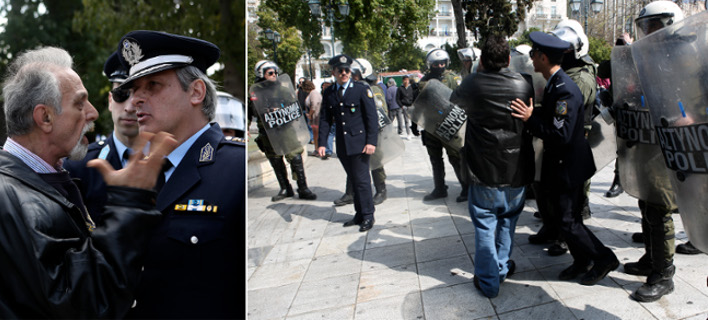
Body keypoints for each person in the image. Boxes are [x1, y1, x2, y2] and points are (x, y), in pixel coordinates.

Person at [0, 46, 177, 318]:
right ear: (44, 117)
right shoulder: (9, 198)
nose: (93, 113)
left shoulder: (44, 180)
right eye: (80, 103)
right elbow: (85, 305)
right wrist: (129, 203)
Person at [113, 30, 245, 318]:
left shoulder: (237, 169)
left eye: (153, 85)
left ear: (196, 92)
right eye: (134, 88)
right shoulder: (139, 173)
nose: (136, 99)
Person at [510, 31, 618, 286]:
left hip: (567, 166)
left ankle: (604, 258)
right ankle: (582, 261)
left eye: (534, 54)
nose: (532, 59)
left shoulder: (564, 89)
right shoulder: (554, 83)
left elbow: (560, 134)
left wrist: (529, 119)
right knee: (566, 219)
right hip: (561, 164)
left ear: (544, 57)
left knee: (568, 221)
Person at [450, 35, 535, 298]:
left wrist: (477, 71)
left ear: (482, 61)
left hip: (484, 170)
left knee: (486, 225)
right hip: (516, 169)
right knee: (507, 223)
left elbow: (454, 103)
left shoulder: (473, 83)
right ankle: (499, 268)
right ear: (508, 59)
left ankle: (489, 283)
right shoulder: (523, 84)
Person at [622, 1, 689, 302]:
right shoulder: (653, 57)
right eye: (645, 26)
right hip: (650, 140)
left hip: (671, 141)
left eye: (653, 26)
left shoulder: (686, 56)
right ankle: (651, 259)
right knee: (647, 203)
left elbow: (694, 98)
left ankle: (664, 274)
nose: (647, 32)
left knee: (660, 207)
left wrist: (690, 115)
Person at [63, 51, 137, 220]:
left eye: (139, 97)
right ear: (110, 101)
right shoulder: (80, 165)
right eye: (121, 95)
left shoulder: (169, 162)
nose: (130, 107)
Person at [318, 54, 378, 232]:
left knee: (362, 181)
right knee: (353, 179)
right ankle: (359, 213)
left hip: (360, 143)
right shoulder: (329, 92)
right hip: (343, 145)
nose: (344, 73)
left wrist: (371, 142)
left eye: (347, 70)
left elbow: (371, 117)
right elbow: (325, 119)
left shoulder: (361, 89)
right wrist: (322, 143)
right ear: (333, 72)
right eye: (340, 71)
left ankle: (368, 215)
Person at [250, 60, 317, 202]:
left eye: (275, 72)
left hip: (285, 129)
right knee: (274, 159)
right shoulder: (255, 91)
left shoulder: (283, 89)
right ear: (261, 74)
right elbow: (252, 110)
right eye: (270, 73)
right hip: (267, 132)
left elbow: (295, 107)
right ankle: (285, 188)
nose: (275, 75)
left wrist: (280, 110)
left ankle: (303, 188)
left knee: (295, 157)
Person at [332, 59, 389, 206]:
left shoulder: (373, 89)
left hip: (371, 132)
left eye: (355, 73)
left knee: (375, 162)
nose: (351, 76)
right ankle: (350, 193)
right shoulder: (349, 88)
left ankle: (381, 190)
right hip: (355, 134)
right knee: (353, 164)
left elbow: (381, 112)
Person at [418, 48, 468, 202]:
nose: (440, 66)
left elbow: (462, 101)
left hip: (449, 124)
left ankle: (466, 188)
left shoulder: (454, 79)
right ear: (430, 64)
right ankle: (439, 188)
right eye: (436, 64)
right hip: (430, 125)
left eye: (442, 63)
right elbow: (421, 102)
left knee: (455, 157)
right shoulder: (423, 81)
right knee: (435, 158)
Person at [304, 80, 322, 155]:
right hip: (315, 116)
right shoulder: (313, 93)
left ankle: (317, 149)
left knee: (316, 134)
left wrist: (310, 114)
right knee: (316, 134)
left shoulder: (313, 93)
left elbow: (314, 106)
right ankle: (317, 148)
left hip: (316, 117)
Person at [396, 75, 415, 140]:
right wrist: (401, 106)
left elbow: (414, 96)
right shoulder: (400, 88)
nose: (406, 81)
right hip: (404, 106)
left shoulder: (411, 88)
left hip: (411, 105)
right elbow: (397, 99)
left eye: (407, 80)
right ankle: (408, 133)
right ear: (403, 80)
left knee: (414, 119)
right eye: (405, 80)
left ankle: (415, 131)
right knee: (406, 120)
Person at [321, 81, 335, 160]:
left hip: (333, 119)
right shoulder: (328, 94)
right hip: (333, 119)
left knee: (330, 134)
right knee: (331, 134)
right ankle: (328, 150)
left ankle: (329, 150)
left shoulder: (326, 94)